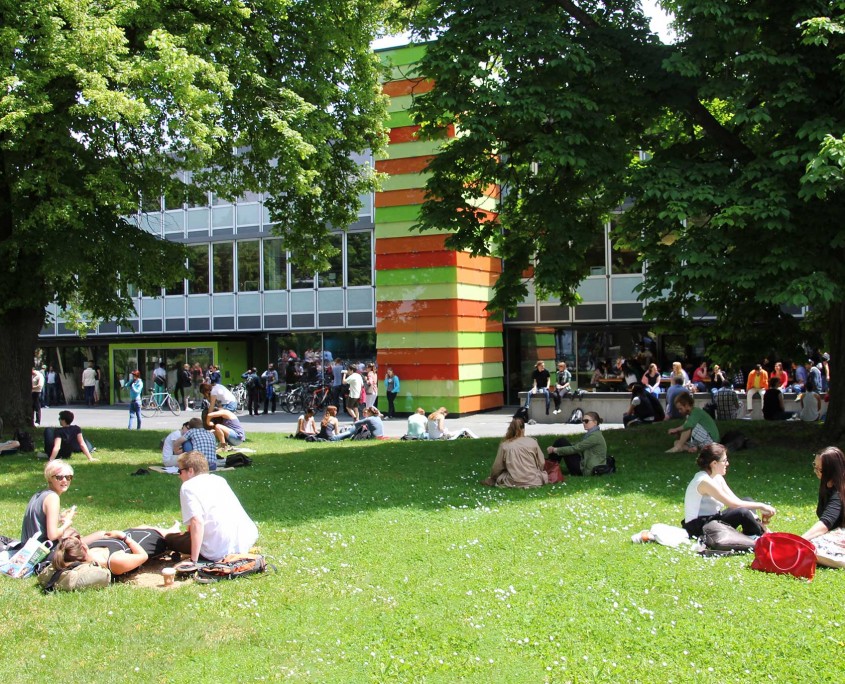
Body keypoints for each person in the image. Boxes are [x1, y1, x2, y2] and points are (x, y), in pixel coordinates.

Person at [164, 451, 258, 563]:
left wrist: (194, 560)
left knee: (169, 538)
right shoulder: (219, 480)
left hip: (218, 549)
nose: (179, 475)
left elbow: (196, 522)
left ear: (190, 470)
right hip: (245, 540)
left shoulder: (188, 487)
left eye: (180, 471)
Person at [682, 443, 776, 538]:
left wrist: (757, 519)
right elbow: (734, 505)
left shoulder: (717, 477)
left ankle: (757, 531)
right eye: (724, 461)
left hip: (712, 519)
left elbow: (737, 501)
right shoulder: (704, 481)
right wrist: (762, 506)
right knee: (742, 512)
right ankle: (757, 536)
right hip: (698, 527)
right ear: (714, 463)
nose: (727, 463)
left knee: (748, 500)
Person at [20, 461, 101, 546]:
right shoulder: (52, 497)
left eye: (68, 477)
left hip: (27, 549)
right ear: (49, 478)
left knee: (75, 535)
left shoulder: (39, 495)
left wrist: (59, 517)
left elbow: (38, 523)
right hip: (43, 552)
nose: (64, 480)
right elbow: (52, 535)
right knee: (102, 535)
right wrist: (67, 523)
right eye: (59, 477)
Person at [53, 523, 179, 577]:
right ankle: (174, 529)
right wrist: (124, 537)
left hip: (127, 535)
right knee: (163, 533)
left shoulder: (87, 554)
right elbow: (143, 556)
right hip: (148, 541)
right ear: (83, 548)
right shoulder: (115, 561)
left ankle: (173, 528)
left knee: (142, 527)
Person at [481, 418, 547, 488]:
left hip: (512, 481)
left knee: (501, 477)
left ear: (510, 430)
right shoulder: (533, 442)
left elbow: (497, 467)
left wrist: (493, 477)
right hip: (534, 480)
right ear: (523, 429)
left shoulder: (505, 445)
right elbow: (541, 462)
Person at [802, 446, 845, 540]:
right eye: (814, 465)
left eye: (820, 469)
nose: (815, 471)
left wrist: (800, 540)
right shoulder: (827, 484)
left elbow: (826, 522)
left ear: (833, 471)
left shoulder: (839, 493)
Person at [546, 411, 607, 476]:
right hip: (586, 465)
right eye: (582, 421)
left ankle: (548, 468)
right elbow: (579, 445)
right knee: (562, 442)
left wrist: (555, 450)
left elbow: (575, 448)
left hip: (587, 470)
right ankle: (549, 468)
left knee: (562, 442)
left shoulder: (594, 436)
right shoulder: (594, 434)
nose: (583, 423)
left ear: (595, 422)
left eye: (586, 421)